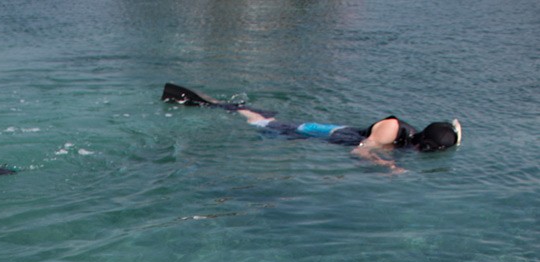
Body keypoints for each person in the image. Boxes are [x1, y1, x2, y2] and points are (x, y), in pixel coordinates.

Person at [162, 83, 461, 168]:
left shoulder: (410, 140)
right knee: (261, 122)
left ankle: (227, 105)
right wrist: (389, 167)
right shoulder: (393, 128)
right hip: (321, 133)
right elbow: (359, 152)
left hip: (332, 135)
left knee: (263, 118)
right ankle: (203, 102)